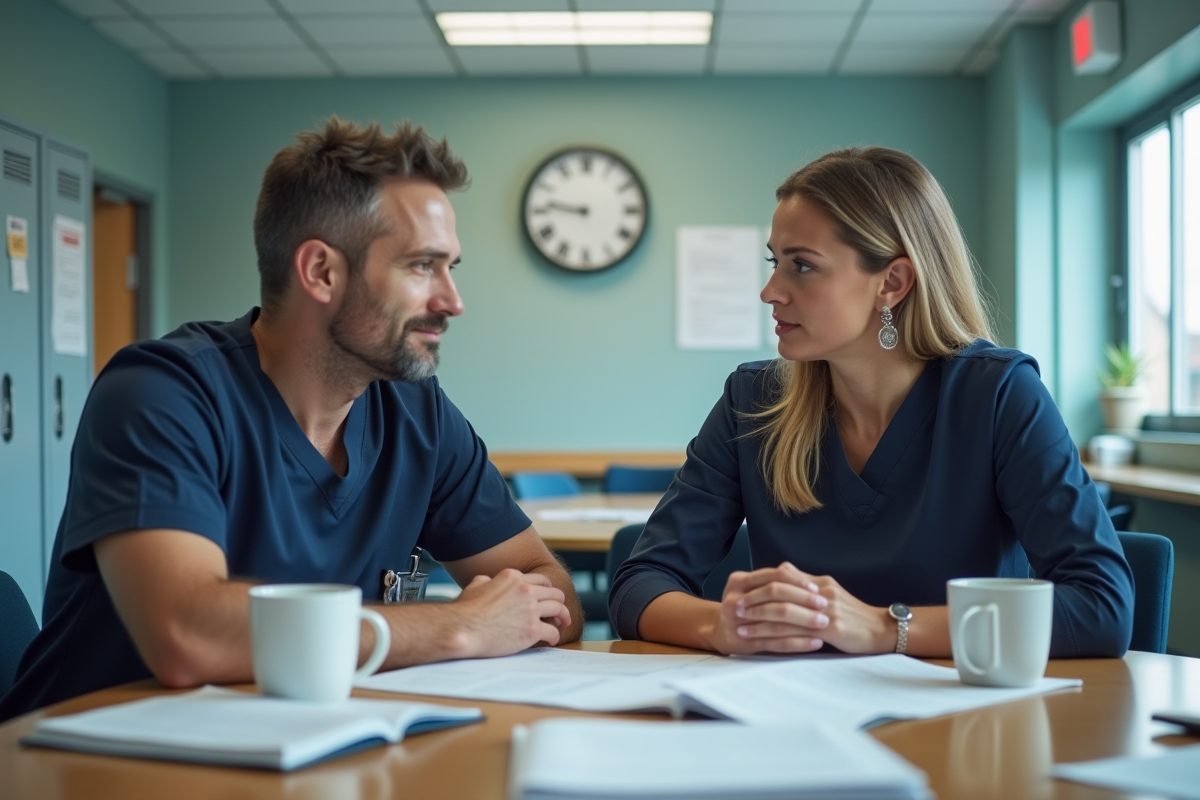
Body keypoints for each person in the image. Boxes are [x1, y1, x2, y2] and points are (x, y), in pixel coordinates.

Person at [0, 118, 581, 722]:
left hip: (305, 743)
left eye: (451, 267)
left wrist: (497, 617)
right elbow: (188, 634)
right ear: (321, 272)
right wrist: (456, 625)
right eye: (421, 267)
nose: (452, 301)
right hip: (91, 757)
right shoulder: (161, 393)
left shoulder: (418, 412)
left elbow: (549, 591)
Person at [609, 147, 1133, 659]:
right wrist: (720, 625)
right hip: (791, 706)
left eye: (802, 266)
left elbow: (1101, 605)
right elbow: (640, 584)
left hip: (963, 710)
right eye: (775, 262)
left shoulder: (999, 395)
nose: (770, 291)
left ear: (892, 282)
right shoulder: (753, 401)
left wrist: (885, 628)